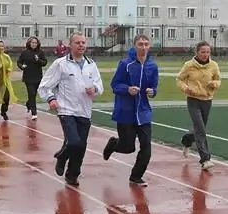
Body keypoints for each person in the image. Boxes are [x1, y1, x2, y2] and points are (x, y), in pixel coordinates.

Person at [38, 32, 104, 186]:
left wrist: (94, 89)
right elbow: (45, 85)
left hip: (85, 111)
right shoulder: (61, 64)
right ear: (70, 45)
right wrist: (51, 98)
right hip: (66, 110)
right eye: (77, 43)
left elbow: (99, 86)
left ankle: (72, 174)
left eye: (83, 43)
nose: (81, 45)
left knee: (81, 146)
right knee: (74, 142)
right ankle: (62, 157)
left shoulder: (91, 64)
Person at [102, 35, 159, 187]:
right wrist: (127, 89)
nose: (144, 47)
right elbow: (115, 85)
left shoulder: (152, 66)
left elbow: (154, 87)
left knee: (146, 148)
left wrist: (152, 92)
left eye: (146, 44)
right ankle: (114, 144)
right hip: (126, 111)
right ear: (134, 46)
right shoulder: (125, 64)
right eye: (140, 44)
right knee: (128, 147)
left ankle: (136, 176)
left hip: (143, 112)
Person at [175, 41, 221, 170]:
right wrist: (186, 88)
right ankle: (205, 159)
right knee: (200, 129)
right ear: (197, 52)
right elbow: (179, 79)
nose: (205, 54)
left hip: (207, 100)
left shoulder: (213, 65)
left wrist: (215, 84)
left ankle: (187, 140)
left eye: (208, 52)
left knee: (199, 129)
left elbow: (218, 79)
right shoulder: (189, 65)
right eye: (202, 52)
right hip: (193, 100)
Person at [17, 36, 48, 119]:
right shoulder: (25, 52)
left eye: (35, 43)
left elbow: (44, 62)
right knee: (31, 93)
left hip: (38, 77)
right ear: (29, 43)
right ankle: (34, 113)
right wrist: (22, 66)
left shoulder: (40, 52)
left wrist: (38, 60)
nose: (34, 44)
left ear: (37, 44)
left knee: (34, 95)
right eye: (32, 43)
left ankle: (28, 103)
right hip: (28, 77)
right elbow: (19, 62)